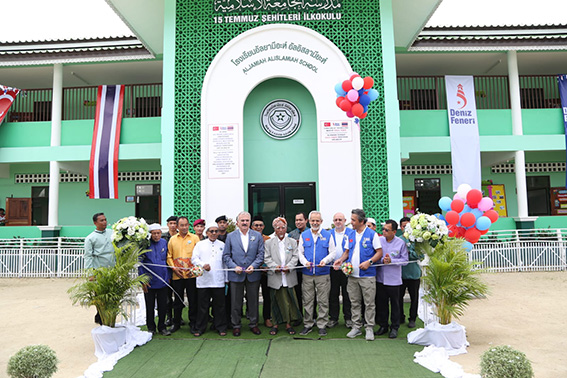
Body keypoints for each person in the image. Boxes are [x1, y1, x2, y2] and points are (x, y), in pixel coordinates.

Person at [334, 208, 382, 341]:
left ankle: (369, 327)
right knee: (354, 302)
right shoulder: (350, 235)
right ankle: (356, 327)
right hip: (352, 276)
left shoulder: (372, 234)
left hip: (367, 275)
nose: (351, 222)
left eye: (353, 220)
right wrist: (340, 260)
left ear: (361, 221)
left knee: (369, 303)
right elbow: (346, 252)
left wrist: (369, 262)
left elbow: (379, 252)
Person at [222, 211, 265, 336]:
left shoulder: (257, 236)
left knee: (253, 301)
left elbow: (261, 254)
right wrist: (234, 267)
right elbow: (226, 255)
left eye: (247, 220)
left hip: (253, 274)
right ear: (237, 223)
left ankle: (253, 324)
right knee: (236, 301)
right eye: (242, 221)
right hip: (236, 274)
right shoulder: (231, 236)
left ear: (250, 222)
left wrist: (254, 265)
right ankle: (236, 325)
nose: (245, 223)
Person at [298, 211, 336, 336]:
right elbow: (300, 253)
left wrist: (325, 260)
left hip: (323, 273)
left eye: (317, 221)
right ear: (309, 221)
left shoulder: (327, 235)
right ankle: (308, 324)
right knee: (308, 300)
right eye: (313, 221)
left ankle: (322, 325)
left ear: (321, 222)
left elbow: (333, 252)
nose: (315, 223)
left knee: (323, 300)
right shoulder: (304, 235)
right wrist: (305, 262)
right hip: (307, 273)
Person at [264, 217, 302, 335]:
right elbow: (267, 257)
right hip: (275, 276)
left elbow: (296, 256)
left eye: (283, 227)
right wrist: (275, 266)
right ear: (274, 229)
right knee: (275, 301)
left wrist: (289, 267)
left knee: (289, 301)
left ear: (286, 228)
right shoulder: (269, 242)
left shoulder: (291, 241)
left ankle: (288, 324)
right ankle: (275, 324)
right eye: (278, 228)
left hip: (288, 275)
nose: (281, 230)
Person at [191, 224, 228, 336]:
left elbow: (225, 263)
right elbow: (194, 259)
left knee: (219, 306)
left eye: (216, 231)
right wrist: (203, 265)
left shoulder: (222, 245)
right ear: (207, 233)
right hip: (204, 280)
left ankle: (220, 327)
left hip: (218, 280)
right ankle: (200, 328)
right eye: (211, 231)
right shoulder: (200, 244)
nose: (213, 233)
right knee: (203, 306)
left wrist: (226, 279)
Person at [166, 216, 200, 333]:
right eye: (182, 225)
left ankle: (193, 323)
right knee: (177, 301)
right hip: (177, 275)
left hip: (192, 275)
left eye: (186, 225)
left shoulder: (195, 238)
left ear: (188, 225)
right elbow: (169, 256)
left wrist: (194, 269)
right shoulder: (172, 239)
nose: (184, 227)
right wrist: (174, 269)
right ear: (177, 226)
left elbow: (199, 256)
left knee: (193, 300)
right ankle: (176, 323)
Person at [375, 219, 408, 339]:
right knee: (382, 304)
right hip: (380, 278)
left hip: (394, 280)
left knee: (395, 305)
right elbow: (374, 256)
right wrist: (381, 260)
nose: (384, 231)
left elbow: (405, 260)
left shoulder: (400, 243)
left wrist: (392, 261)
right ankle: (383, 325)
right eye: (383, 229)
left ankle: (394, 327)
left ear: (394, 231)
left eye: (387, 230)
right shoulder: (379, 241)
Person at [139, 224, 171, 336]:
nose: (156, 235)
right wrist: (142, 280)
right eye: (154, 233)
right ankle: (151, 327)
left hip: (163, 280)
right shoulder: (144, 244)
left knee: (163, 305)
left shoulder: (164, 243)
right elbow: (140, 264)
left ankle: (162, 327)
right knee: (150, 305)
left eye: (158, 233)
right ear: (150, 234)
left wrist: (169, 277)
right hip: (149, 281)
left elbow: (168, 260)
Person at [84, 212, 115, 324]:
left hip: (112, 269)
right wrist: (90, 274)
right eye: (101, 220)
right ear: (95, 223)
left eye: (105, 220)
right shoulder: (90, 238)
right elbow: (88, 256)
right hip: (99, 271)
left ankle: (109, 315)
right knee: (100, 295)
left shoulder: (112, 233)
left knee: (112, 294)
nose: (104, 222)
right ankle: (101, 316)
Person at [328, 212, 354, 329]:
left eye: (340, 219)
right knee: (333, 294)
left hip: (346, 268)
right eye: (336, 220)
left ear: (344, 221)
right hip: (332, 268)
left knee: (347, 294)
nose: (338, 222)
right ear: (333, 222)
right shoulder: (329, 234)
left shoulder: (351, 233)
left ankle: (348, 318)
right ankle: (333, 318)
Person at [398, 216, 421, 329]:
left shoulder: (417, 240)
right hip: (400, 274)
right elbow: (396, 255)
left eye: (408, 226)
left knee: (414, 298)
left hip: (414, 274)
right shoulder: (398, 240)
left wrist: (408, 252)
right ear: (400, 227)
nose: (406, 228)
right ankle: (400, 316)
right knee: (398, 297)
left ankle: (412, 318)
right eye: (404, 226)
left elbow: (419, 255)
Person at [251, 215, 273, 328]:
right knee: (252, 296)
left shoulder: (268, 239)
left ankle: (267, 317)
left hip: (265, 272)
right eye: (256, 225)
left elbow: (272, 255)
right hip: (252, 271)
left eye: (260, 225)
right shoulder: (248, 238)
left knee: (267, 296)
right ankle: (252, 318)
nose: (258, 227)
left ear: (263, 226)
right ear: (252, 227)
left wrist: (267, 266)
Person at [287, 211, 309, 316]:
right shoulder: (291, 234)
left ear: (306, 221)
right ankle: (298, 315)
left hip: (308, 268)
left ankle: (312, 316)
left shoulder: (310, 232)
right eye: (296, 220)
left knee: (309, 294)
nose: (298, 222)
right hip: (295, 268)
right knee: (297, 293)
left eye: (300, 220)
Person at [162, 215, 178, 326]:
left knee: (178, 295)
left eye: (174, 223)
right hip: (166, 270)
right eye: (170, 223)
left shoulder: (180, 236)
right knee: (167, 296)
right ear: (167, 225)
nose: (172, 225)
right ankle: (169, 317)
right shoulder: (163, 237)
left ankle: (178, 317)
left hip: (178, 270)